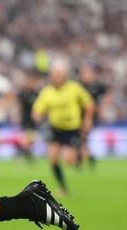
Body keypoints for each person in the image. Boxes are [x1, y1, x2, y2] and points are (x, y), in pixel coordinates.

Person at [32, 61, 94, 195]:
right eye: (55, 75)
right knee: (53, 159)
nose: (57, 78)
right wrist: (37, 115)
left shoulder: (74, 88)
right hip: (55, 128)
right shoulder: (47, 91)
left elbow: (89, 104)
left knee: (69, 161)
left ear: (65, 75)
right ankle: (62, 187)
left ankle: (79, 152)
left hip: (72, 129)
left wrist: (87, 120)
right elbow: (38, 109)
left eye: (60, 75)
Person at [77, 63, 109, 169]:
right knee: (81, 138)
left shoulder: (98, 86)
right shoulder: (79, 86)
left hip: (91, 116)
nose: (86, 76)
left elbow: (107, 94)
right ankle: (87, 158)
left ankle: (83, 158)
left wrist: (102, 107)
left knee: (82, 137)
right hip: (78, 116)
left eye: (87, 73)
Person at [15, 71, 42, 162]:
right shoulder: (23, 93)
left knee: (31, 139)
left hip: (34, 119)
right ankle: (24, 154)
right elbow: (19, 106)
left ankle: (24, 153)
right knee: (27, 138)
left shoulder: (37, 93)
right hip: (25, 119)